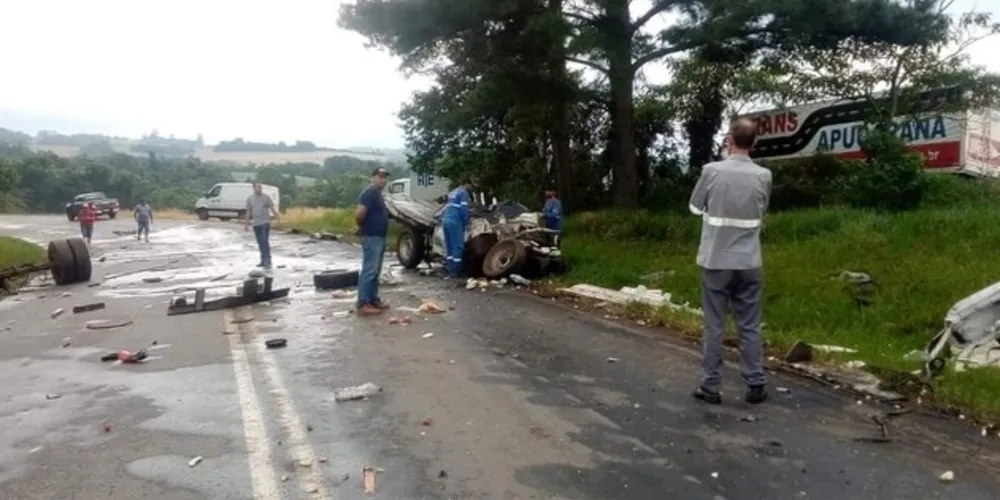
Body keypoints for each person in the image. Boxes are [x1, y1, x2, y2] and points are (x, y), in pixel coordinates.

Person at [688, 118, 773, 406]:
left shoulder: (711, 171)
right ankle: (756, 383)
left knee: (714, 325)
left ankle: (711, 386)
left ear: (729, 140)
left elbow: (694, 206)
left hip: (716, 260)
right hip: (750, 261)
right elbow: (762, 210)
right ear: (754, 143)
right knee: (749, 324)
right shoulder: (764, 176)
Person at [355, 168, 392, 316]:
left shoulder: (377, 194)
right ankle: (363, 303)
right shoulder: (369, 192)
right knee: (369, 270)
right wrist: (361, 226)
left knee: (375, 270)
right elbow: (359, 213)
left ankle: (373, 299)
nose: (383, 180)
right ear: (373, 178)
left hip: (379, 236)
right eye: (380, 176)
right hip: (372, 236)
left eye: (385, 177)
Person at [442, 178, 474, 277]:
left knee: (450, 246)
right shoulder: (463, 193)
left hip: (446, 220)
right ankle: (457, 271)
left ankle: (451, 268)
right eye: (471, 186)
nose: (471, 188)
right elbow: (464, 209)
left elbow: (448, 207)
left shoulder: (452, 192)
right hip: (455, 222)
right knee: (458, 246)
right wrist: (466, 221)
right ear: (467, 184)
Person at [243, 182, 278, 268]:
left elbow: (272, 208)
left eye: (261, 187)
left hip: (265, 222)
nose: (260, 189)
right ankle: (263, 260)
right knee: (260, 242)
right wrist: (246, 224)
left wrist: (277, 219)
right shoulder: (250, 198)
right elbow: (248, 211)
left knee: (264, 240)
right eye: (258, 187)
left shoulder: (266, 197)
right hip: (256, 223)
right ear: (254, 188)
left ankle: (268, 259)